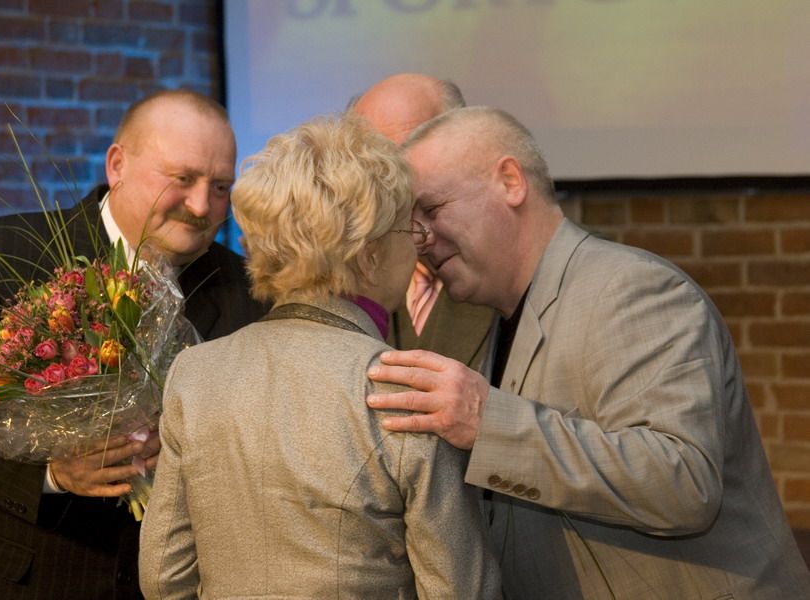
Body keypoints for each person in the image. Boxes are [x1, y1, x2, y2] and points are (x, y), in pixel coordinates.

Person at [366, 106, 810, 598]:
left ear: (511, 182)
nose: (422, 240)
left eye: (432, 209)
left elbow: (683, 483)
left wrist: (486, 422)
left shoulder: (633, 289)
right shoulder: (501, 319)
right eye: (413, 225)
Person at [0, 89, 267, 599]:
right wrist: (53, 474)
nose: (201, 206)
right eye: (183, 179)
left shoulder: (248, 289)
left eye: (220, 186)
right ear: (118, 164)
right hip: (24, 580)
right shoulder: (6, 253)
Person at [139, 115, 502, 599]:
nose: (418, 245)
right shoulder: (404, 391)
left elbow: (163, 577)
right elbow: (462, 589)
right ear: (368, 256)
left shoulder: (196, 373)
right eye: (406, 229)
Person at [350, 73, 495, 371]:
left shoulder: (519, 266)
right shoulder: (342, 274)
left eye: (405, 152)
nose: (390, 174)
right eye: (373, 158)